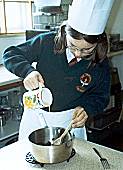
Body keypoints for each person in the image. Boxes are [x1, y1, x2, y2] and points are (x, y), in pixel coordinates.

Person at [3, 0, 114, 141]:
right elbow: (10, 54)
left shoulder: (100, 63)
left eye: (87, 50)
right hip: (36, 117)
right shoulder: (47, 42)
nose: (78, 54)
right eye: (73, 46)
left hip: (70, 122)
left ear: (98, 44)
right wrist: (28, 71)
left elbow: (100, 97)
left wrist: (87, 109)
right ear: (64, 34)